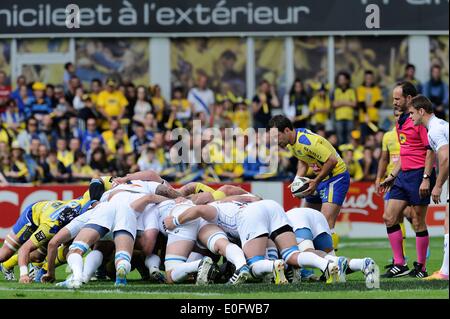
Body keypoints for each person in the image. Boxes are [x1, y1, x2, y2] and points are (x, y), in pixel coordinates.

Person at [269, 115, 350, 251]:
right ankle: (312, 258)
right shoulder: (293, 143)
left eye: (277, 136)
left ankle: (333, 263)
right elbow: (303, 160)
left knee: (325, 223)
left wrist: (316, 182)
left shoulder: (306, 141)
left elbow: (332, 161)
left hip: (336, 177)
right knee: (305, 218)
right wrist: (297, 181)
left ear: (287, 130)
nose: (276, 141)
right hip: (319, 179)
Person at [380, 82, 436, 279]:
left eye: (397, 98)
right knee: (389, 217)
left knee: (418, 222)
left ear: (409, 98)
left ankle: (421, 267)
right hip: (403, 176)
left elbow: (430, 150)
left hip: (420, 174)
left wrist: (426, 179)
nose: (394, 102)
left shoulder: (419, 121)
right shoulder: (401, 121)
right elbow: (405, 152)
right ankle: (399, 263)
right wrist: (392, 176)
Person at [408, 95, 449, 281]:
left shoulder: (435, 130)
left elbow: (446, 158)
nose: (410, 117)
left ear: (421, 111)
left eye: (411, 113)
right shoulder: (438, 126)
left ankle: (445, 272)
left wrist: (438, 185)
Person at [331, 72, 357, 144]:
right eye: (340, 79)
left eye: (343, 79)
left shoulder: (351, 90)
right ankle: (341, 151)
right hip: (338, 118)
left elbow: (354, 104)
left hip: (349, 117)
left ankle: (349, 151)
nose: (341, 81)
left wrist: (341, 102)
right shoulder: (335, 91)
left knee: (350, 136)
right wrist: (348, 102)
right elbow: (333, 104)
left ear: (347, 80)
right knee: (339, 136)